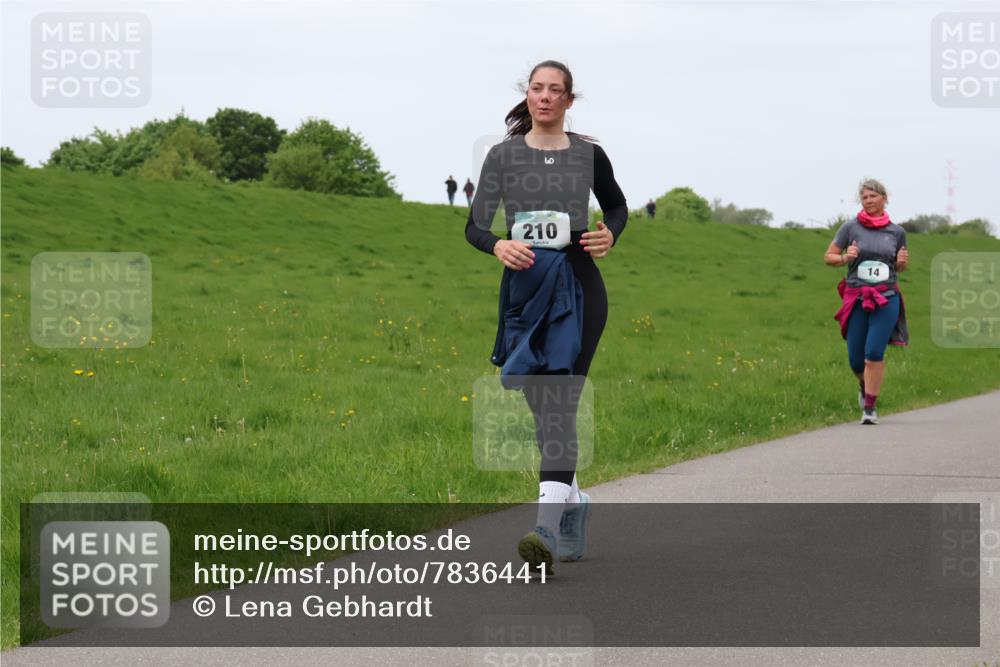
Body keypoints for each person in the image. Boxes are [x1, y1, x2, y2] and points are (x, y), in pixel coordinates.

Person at [465, 60, 628, 574]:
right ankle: (573, 501)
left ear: (568, 101)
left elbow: (618, 208)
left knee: (560, 398)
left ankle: (544, 529)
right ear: (528, 95)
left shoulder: (589, 155)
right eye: (537, 88)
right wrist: (497, 246)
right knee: (542, 403)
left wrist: (609, 234)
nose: (545, 97)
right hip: (525, 289)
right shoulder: (504, 155)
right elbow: (474, 226)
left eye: (556, 90)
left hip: (579, 286)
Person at [825, 179, 909, 425]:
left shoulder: (897, 232)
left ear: (884, 198)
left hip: (887, 297)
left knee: (874, 352)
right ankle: (864, 386)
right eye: (865, 198)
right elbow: (828, 256)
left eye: (873, 196)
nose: (869, 201)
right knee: (855, 359)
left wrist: (902, 263)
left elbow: (900, 266)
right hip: (857, 296)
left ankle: (870, 407)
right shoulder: (850, 228)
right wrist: (844, 258)